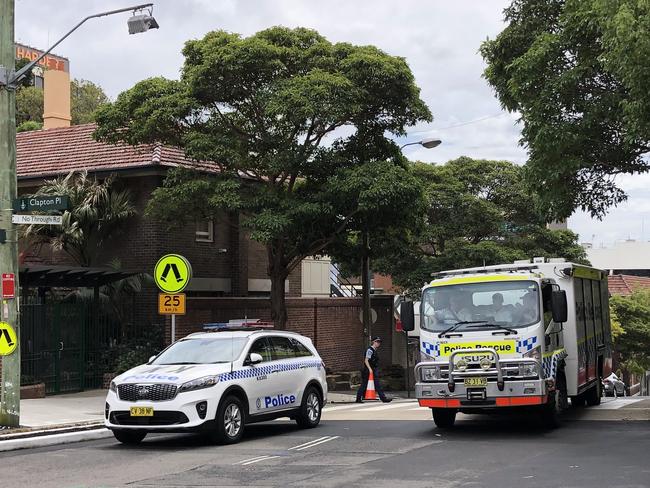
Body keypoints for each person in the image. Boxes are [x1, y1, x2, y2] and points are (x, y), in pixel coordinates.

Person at [356, 337, 392, 403]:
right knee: (365, 384)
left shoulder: (374, 350)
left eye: (379, 342)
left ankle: (383, 398)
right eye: (377, 342)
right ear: (373, 342)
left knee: (375, 384)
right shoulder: (370, 350)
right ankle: (358, 398)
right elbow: (366, 360)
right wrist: (370, 369)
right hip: (369, 370)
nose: (378, 343)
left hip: (373, 369)